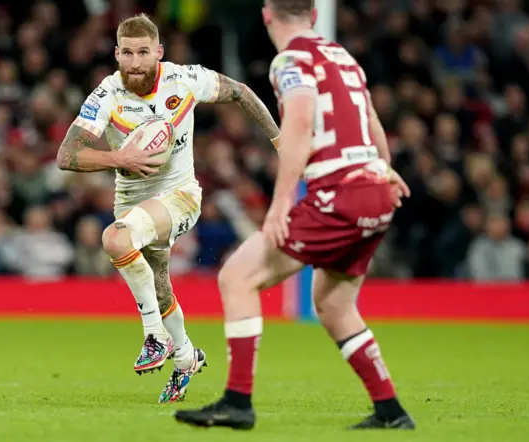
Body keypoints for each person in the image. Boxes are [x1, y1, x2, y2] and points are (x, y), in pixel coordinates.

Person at [174, 0, 415, 430]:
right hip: (377, 190)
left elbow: (300, 125)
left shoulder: (290, 60)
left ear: (267, 15)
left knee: (237, 277)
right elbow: (372, 122)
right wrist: (385, 169)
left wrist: (281, 203)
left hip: (339, 194)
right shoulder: (342, 58)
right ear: (315, 15)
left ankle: (237, 402)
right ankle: (391, 412)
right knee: (335, 303)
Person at [56, 14, 281, 403]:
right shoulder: (107, 95)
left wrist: (279, 141)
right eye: (127, 53)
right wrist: (118, 156)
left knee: (114, 239)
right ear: (117, 54)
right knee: (159, 288)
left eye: (143, 52)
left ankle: (154, 336)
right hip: (131, 201)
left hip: (180, 196)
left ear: (158, 52)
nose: (135, 62)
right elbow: (66, 155)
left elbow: (241, 92)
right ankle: (185, 357)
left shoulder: (184, 79)